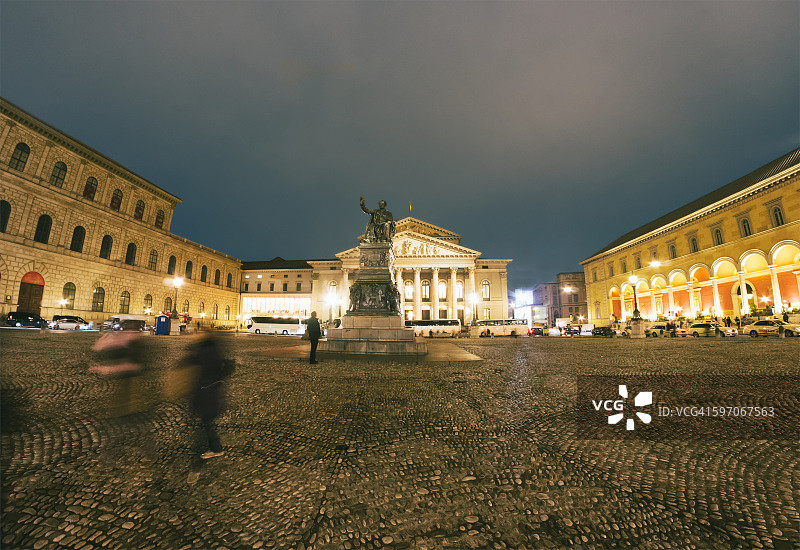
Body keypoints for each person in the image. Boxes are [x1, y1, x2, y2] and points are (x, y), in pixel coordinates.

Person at [185, 332, 233, 483]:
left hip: (207, 394)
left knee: (207, 423)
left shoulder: (206, 351)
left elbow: (199, 367)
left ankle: (216, 449)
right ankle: (215, 448)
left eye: (198, 334)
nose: (194, 335)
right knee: (206, 422)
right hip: (209, 393)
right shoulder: (212, 349)